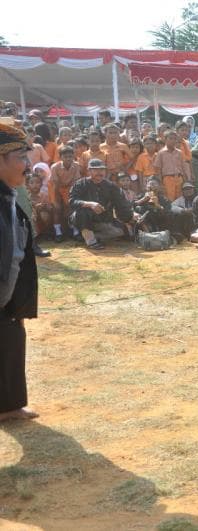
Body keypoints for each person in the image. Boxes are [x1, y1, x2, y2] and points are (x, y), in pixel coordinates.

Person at [0, 122, 40, 422]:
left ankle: (10, 404)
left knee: (11, 337)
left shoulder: (9, 196)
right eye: (21, 159)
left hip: (7, 298)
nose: (28, 166)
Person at [68, 159, 135, 250]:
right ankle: (91, 241)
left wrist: (131, 215)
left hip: (103, 219)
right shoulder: (80, 183)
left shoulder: (111, 186)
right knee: (82, 212)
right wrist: (90, 204)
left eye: (102, 170)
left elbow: (121, 205)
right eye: (96, 170)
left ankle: (90, 236)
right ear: (89, 171)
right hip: (83, 218)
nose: (99, 172)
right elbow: (72, 201)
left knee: (121, 231)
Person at [49, 146, 81, 243]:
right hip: (56, 188)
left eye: (70, 156)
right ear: (61, 157)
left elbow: (76, 181)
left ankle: (75, 231)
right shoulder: (55, 167)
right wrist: (59, 198)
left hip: (70, 189)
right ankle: (58, 232)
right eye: (65, 156)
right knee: (57, 209)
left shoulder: (76, 166)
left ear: (73, 157)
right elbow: (56, 183)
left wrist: (68, 195)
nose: (68, 158)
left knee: (71, 209)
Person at [153, 130, 190, 201]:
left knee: (180, 198)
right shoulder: (161, 153)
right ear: (165, 139)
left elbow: (184, 167)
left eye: (175, 139)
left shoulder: (180, 153)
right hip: (167, 179)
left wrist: (186, 180)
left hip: (179, 178)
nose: (173, 140)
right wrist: (160, 183)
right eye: (170, 138)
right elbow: (158, 170)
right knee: (169, 199)